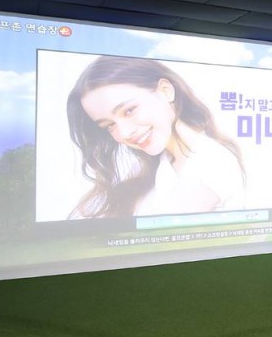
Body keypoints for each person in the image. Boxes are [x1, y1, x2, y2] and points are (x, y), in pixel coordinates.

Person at [66, 55, 245, 218]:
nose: (125, 133)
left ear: (165, 91)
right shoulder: (153, 165)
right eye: (109, 125)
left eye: (129, 111)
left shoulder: (211, 162)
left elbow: (167, 234)